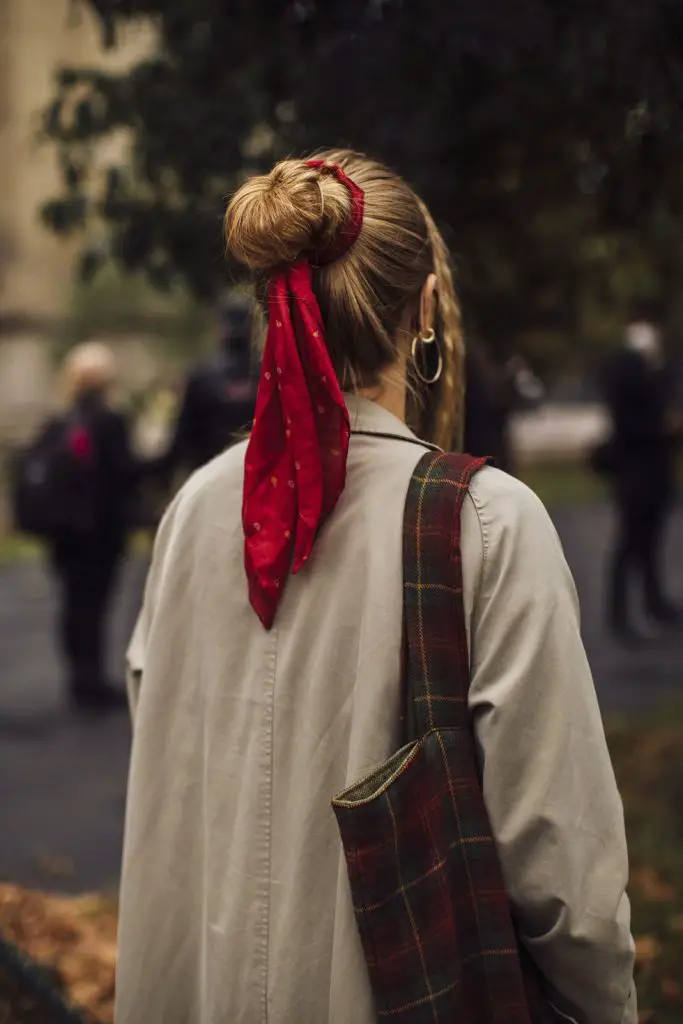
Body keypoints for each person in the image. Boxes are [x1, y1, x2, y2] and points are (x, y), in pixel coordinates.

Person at [116, 153, 636, 1024]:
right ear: (425, 308)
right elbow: (559, 865)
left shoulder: (196, 508)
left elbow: (172, 746)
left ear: (270, 306)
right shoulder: (488, 522)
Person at [49, 343, 140, 710]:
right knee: (96, 603)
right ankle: (93, 679)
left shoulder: (60, 421)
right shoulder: (109, 420)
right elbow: (124, 472)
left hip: (65, 532)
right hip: (101, 531)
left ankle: (78, 676)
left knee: (72, 602)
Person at [601, 321, 681, 643]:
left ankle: (652, 603)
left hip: (645, 479)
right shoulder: (634, 387)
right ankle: (621, 614)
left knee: (646, 546)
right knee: (632, 546)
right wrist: (664, 428)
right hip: (639, 480)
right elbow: (639, 430)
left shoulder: (640, 385)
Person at [158, 295, 257, 479]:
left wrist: (158, 473)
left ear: (221, 328)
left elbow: (183, 436)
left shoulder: (202, 377)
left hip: (210, 477)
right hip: (261, 481)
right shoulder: (271, 375)